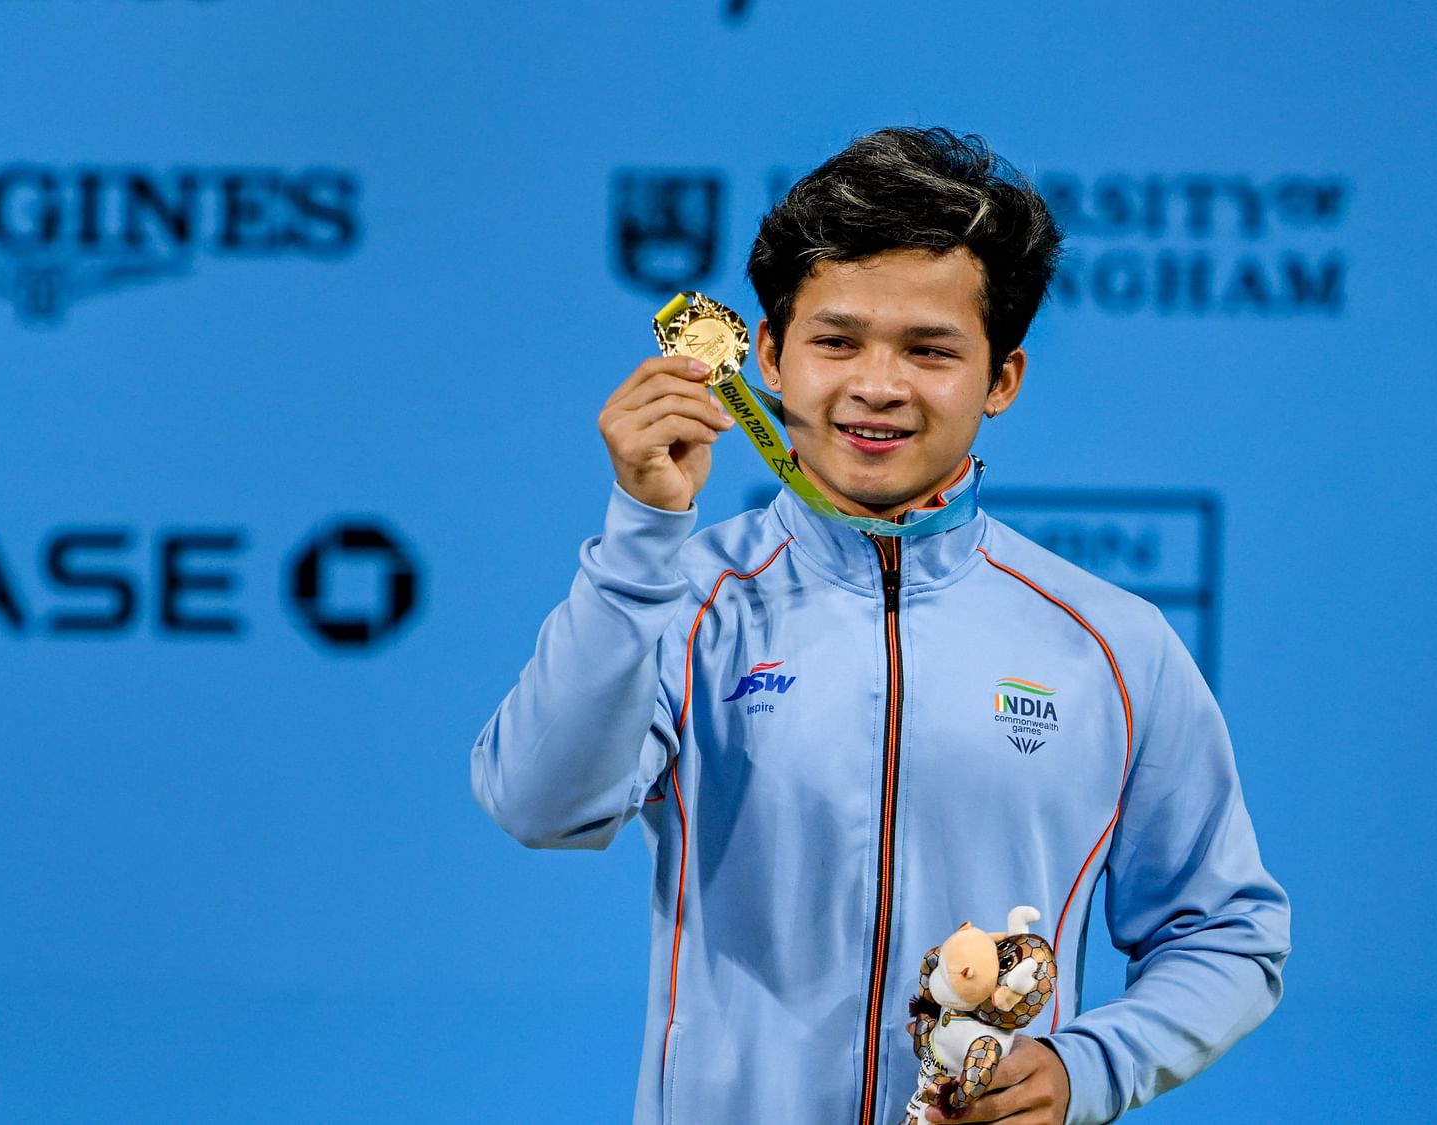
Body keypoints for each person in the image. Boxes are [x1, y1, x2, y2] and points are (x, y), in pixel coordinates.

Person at [472, 127, 1290, 1125]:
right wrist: (644, 537)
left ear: (1001, 379)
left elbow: (1227, 935)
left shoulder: (1110, 644)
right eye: (835, 340)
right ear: (765, 355)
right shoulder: (683, 597)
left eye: (929, 351)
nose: (877, 385)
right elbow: (540, 804)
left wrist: (1090, 1068)